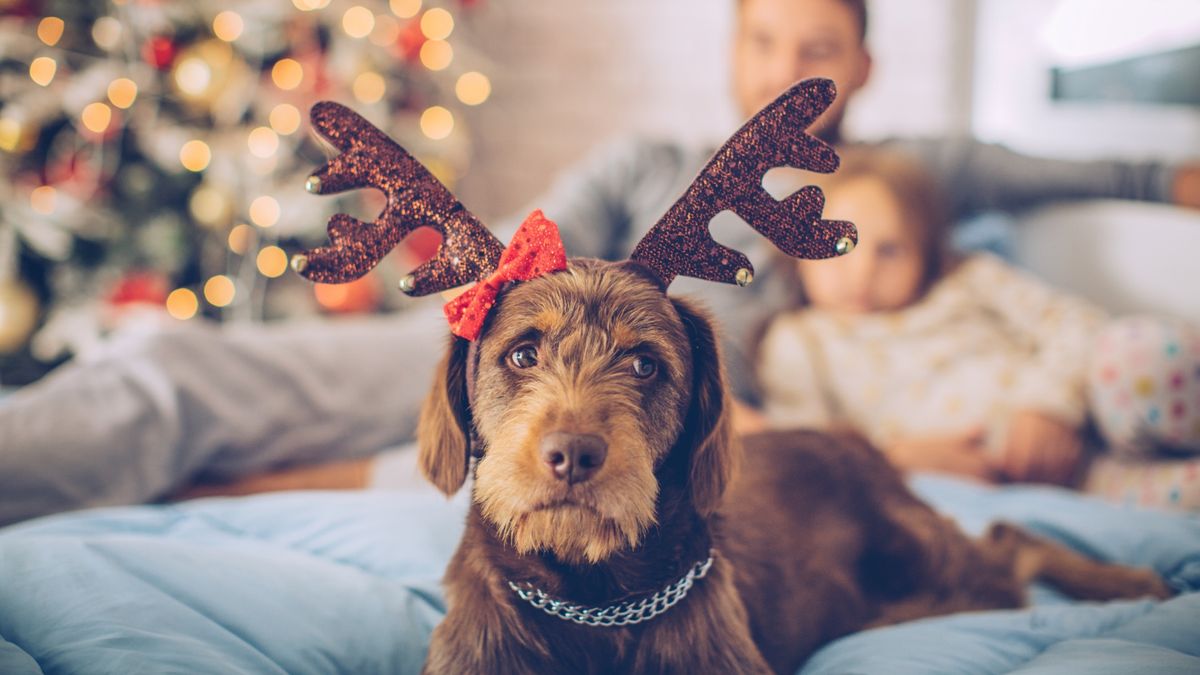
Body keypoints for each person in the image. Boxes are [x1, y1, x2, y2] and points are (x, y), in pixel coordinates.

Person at [1, 0, 1197, 526]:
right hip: (506, 363)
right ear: (733, 46)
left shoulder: (888, 189)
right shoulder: (646, 158)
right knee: (188, 375)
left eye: (817, 46)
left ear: (863, 67)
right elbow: (515, 257)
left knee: (258, 450)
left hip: (641, 426)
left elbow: (1093, 171)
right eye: (764, 38)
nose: (786, 66)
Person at [754, 147, 1200, 509]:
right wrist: (896, 459)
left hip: (1091, 411)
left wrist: (1048, 406)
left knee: (1148, 353)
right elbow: (808, 452)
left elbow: (1077, 323)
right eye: (836, 246)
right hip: (1038, 487)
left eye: (889, 250)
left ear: (925, 252)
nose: (862, 273)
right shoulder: (798, 341)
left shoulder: (967, 280)